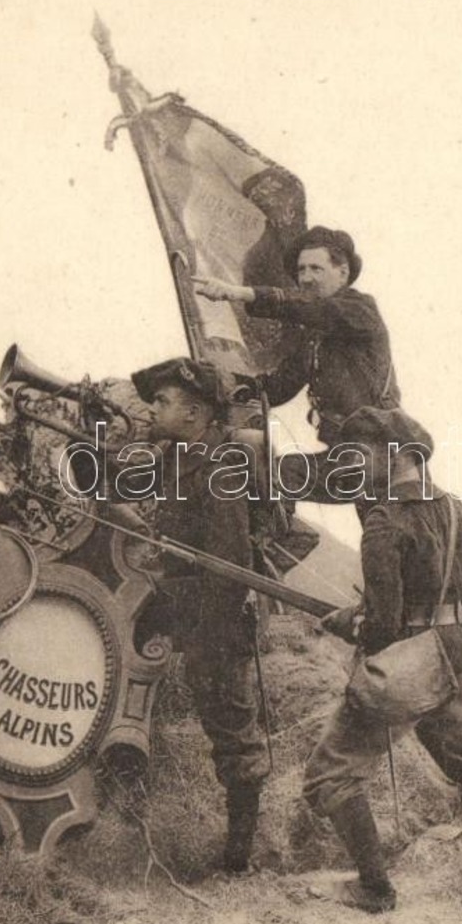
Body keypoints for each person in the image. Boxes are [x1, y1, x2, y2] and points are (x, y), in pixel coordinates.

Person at [304, 407, 462, 912]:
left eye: (360, 456)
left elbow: (382, 624)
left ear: (395, 456)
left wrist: (348, 622)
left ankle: (375, 889)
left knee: (329, 773)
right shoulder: (452, 509)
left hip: (405, 668)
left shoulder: (383, 519)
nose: (353, 467)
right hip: (451, 660)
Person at [130, 356, 269, 872]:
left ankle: (239, 856)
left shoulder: (222, 463)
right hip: (184, 609)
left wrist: (211, 633)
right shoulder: (177, 455)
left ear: (193, 413)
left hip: (217, 618)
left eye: (163, 401)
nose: (153, 407)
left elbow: (230, 562)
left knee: (232, 731)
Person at [196, 226, 400, 501]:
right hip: (349, 455)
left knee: (394, 532)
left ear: (343, 273)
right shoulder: (313, 338)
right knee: (269, 475)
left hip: (383, 454)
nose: (306, 277)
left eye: (316, 269)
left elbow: (318, 310)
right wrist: (217, 380)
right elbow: (278, 387)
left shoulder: (361, 310)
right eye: (301, 270)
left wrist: (241, 293)